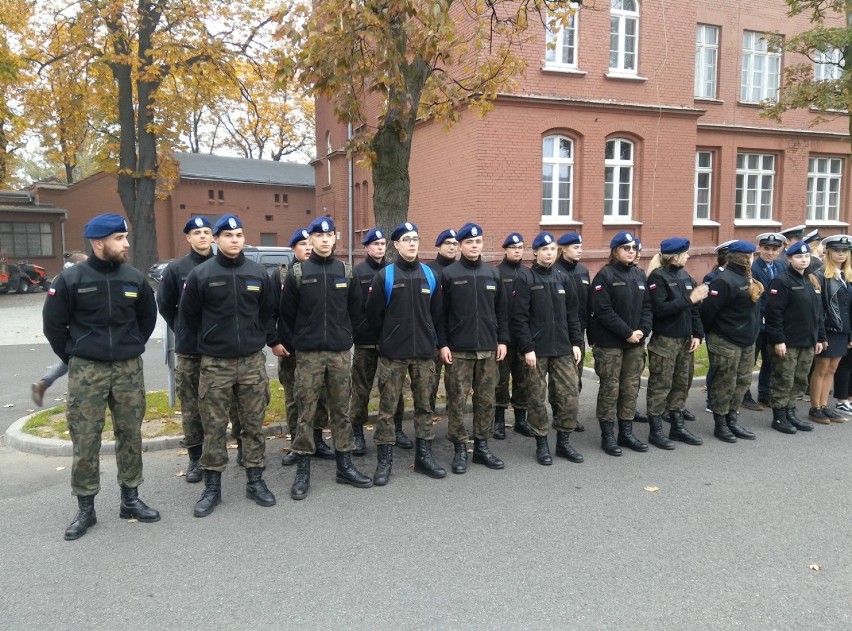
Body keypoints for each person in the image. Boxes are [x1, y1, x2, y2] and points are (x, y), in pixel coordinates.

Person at [43, 213, 159, 540]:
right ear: (98, 243)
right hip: (87, 370)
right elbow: (54, 325)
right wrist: (76, 355)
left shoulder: (134, 279)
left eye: (125, 237)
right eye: (119, 239)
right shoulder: (70, 280)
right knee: (85, 437)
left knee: (130, 434)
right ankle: (85, 508)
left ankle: (131, 499)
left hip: (127, 369)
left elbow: (146, 319)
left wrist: (131, 345)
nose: (125, 244)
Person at [180, 214, 284, 517]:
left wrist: (260, 337)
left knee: (252, 425)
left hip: (252, 362)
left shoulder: (258, 273)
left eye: (239, 234)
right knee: (213, 428)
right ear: (216, 239)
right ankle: (212, 488)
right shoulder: (201, 274)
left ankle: (255, 481)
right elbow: (189, 317)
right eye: (228, 235)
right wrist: (211, 339)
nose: (234, 240)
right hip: (216, 364)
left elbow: (267, 313)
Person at [279, 216, 373, 500]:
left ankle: (344, 466)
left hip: (339, 354)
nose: (323, 240)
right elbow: (287, 316)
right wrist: (298, 343)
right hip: (308, 355)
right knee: (306, 412)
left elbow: (357, 314)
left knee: (341, 411)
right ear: (310, 240)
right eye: (317, 236)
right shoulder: (297, 274)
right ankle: (303, 471)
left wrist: (345, 337)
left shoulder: (345, 272)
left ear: (335, 239)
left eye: (328, 235)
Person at [364, 221, 447, 484]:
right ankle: (384, 461)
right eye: (406, 239)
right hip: (394, 354)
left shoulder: (430, 275)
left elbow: (436, 313)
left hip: (423, 353)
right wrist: (388, 338)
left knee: (424, 407)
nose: (412, 243)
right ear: (396, 245)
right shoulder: (385, 276)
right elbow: (374, 315)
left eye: (415, 239)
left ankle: (424, 457)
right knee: (387, 410)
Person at [437, 222, 508, 474]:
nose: (474, 246)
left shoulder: (492, 273)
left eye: (478, 242)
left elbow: (501, 311)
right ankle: (459, 448)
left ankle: (482, 447)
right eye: (469, 242)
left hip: (489, 349)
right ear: (460, 246)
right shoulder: (449, 274)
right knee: (457, 400)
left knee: (486, 399)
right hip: (459, 351)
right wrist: (443, 343)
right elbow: (441, 314)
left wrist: (502, 340)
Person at [511, 231, 584, 465]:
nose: (549, 253)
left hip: (563, 348)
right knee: (536, 397)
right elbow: (519, 318)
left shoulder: (563, 278)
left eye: (552, 249)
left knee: (569, 395)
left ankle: (563, 442)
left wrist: (575, 342)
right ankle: (541, 443)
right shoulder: (526, 279)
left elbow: (573, 314)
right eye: (544, 249)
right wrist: (527, 348)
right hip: (537, 350)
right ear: (536, 253)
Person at [156, 216, 215, 483]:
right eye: (196, 233)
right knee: (192, 406)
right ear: (188, 238)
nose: (202, 236)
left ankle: (222, 451)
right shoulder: (176, 269)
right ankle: (196, 458)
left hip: (219, 349)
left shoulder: (222, 264)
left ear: (213, 236)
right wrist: (181, 327)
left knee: (222, 404)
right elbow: (166, 304)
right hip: (191, 349)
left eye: (206, 232)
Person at [589, 231, 652, 456]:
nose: (631, 251)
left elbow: (647, 307)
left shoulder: (639, 275)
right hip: (611, 344)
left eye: (633, 248)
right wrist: (627, 332)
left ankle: (626, 432)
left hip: (635, 343)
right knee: (610, 388)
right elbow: (603, 310)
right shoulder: (605, 276)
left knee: (631, 387)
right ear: (615, 251)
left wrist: (643, 331)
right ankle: (608, 435)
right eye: (626, 248)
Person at [276, 228, 334, 466]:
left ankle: (318, 439)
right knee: (295, 398)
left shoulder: (322, 272)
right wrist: (277, 341)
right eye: (302, 244)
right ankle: (297, 442)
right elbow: (275, 312)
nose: (308, 248)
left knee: (320, 396)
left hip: (317, 348)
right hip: (291, 347)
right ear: (293, 248)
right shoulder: (282, 276)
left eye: (308, 244)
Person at [349, 228, 409, 455]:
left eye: (383, 244)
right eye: (375, 244)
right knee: (361, 389)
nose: (379, 248)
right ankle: (357, 433)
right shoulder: (357, 272)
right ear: (366, 247)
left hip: (391, 341)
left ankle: (397, 428)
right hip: (366, 341)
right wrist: (358, 330)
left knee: (395, 389)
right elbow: (354, 308)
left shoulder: (393, 271)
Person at [644, 238, 707, 449]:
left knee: (682, 383)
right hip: (665, 341)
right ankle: (656, 431)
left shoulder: (685, 275)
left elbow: (694, 310)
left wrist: (698, 334)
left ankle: (677, 427)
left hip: (685, 340)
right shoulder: (657, 278)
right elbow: (660, 309)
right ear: (676, 255)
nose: (688, 256)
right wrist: (690, 299)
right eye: (685, 253)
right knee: (660, 386)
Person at [700, 240, 762, 443]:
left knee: (742, 381)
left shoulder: (748, 277)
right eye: (750, 256)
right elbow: (709, 311)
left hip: (746, 340)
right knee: (724, 382)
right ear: (743, 258)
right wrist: (713, 334)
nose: (752, 259)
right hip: (726, 340)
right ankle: (721, 424)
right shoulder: (724, 280)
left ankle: (732, 419)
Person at [765, 241, 824, 434]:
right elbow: (774, 314)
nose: (804, 260)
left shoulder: (811, 280)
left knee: (799, 380)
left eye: (806, 256)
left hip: (807, 341)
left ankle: (791, 412)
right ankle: (779, 416)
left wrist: (820, 338)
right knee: (784, 379)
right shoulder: (782, 281)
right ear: (789, 258)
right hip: (788, 342)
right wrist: (778, 340)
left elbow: (818, 313)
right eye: (799, 256)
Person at [31, 252, 88, 407]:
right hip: (75, 330)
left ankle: (44, 382)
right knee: (73, 360)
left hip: (70, 330)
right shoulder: (68, 279)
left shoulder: (62, 278)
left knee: (69, 360)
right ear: (77, 264)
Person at [494, 232, 533, 439]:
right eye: (514, 247)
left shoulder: (528, 274)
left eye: (520, 247)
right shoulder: (497, 273)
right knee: (500, 381)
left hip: (524, 338)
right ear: (506, 249)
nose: (518, 250)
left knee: (523, 380)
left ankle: (520, 419)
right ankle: (499, 420)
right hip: (503, 338)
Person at [809, 235, 852, 424]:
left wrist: (849, 333)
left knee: (833, 369)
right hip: (827, 330)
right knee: (821, 368)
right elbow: (819, 309)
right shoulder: (820, 275)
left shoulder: (847, 275)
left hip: (842, 330)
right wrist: (821, 335)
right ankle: (815, 408)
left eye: (844, 251)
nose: (841, 254)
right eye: (837, 251)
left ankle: (825, 406)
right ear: (828, 252)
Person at [743, 232, 787, 411]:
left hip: (774, 321)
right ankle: (745, 394)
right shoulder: (752, 268)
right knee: (750, 359)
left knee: (770, 360)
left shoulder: (781, 267)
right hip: (756, 320)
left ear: (780, 250)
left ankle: (764, 393)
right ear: (759, 248)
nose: (770, 252)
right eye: (766, 248)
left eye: (774, 249)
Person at [553, 231, 590, 432]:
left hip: (578, 331)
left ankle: (571, 415)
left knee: (577, 374)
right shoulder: (555, 271)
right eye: (576, 247)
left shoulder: (583, 271)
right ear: (564, 249)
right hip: (559, 332)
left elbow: (588, 304)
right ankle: (558, 411)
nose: (580, 251)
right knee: (559, 378)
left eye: (581, 247)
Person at [427, 229, 459, 416]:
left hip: (455, 336)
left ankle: (454, 421)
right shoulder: (429, 270)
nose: (452, 247)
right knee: (430, 383)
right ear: (439, 245)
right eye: (448, 243)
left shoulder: (460, 270)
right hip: (433, 336)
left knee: (455, 385)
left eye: (455, 244)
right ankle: (427, 419)